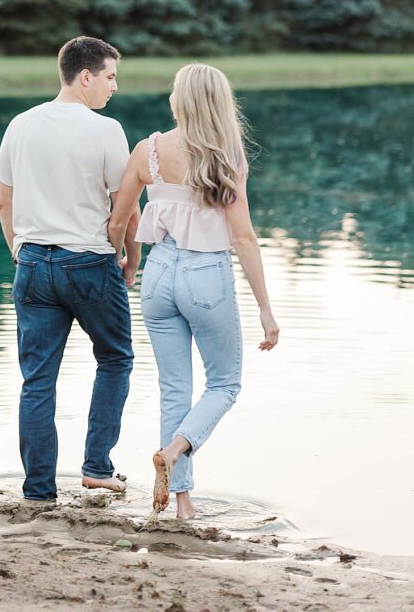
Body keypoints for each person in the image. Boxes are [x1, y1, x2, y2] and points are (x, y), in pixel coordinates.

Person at [108, 63, 279, 519]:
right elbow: (243, 237)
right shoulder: (228, 156)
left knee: (174, 390)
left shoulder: (149, 150)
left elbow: (119, 217)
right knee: (224, 383)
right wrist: (266, 309)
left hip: (159, 276)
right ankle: (176, 450)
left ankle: (181, 503)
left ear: (178, 101)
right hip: (207, 276)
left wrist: (128, 261)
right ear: (221, 103)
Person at [0, 37, 141, 504]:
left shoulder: (21, 124)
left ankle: (38, 490)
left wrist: (20, 254)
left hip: (33, 262)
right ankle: (97, 467)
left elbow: (4, 201)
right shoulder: (106, 130)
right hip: (90, 263)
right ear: (85, 77)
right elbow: (126, 207)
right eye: (110, 76)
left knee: (37, 379)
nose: (114, 87)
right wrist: (129, 258)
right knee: (115, 358)